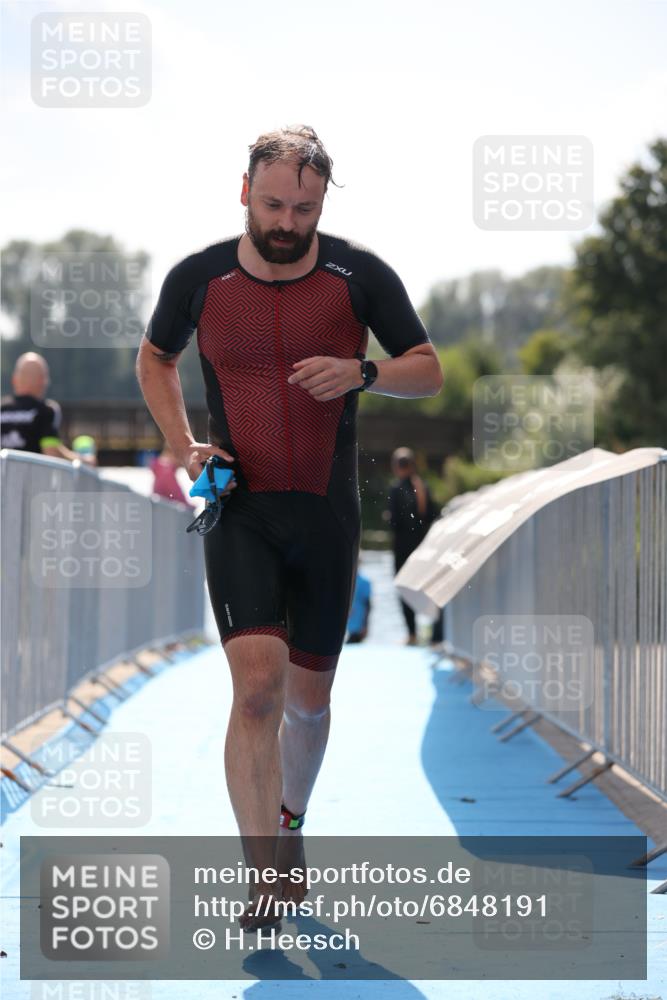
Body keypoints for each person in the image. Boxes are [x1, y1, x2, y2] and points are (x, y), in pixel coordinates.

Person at [136, 124, 443, 930]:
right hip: (239, 507)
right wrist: (181, 446)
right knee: (257, 696)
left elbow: (428, 367)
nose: (286, 221)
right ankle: (262, 875)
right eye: (272, 203)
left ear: (321, 204)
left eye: (303, 208)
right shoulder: (198, 279)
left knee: (309, 702)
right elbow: (154, 359)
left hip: (325, 516)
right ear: (244, 192)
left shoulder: (358, 275)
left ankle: (291, 824)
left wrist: (363, 371)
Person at [387, 447, 443, 646]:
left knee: (404, 587)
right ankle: (437, 634)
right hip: (423, 548)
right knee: (432, 587)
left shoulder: (396, 489)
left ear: (397, 467)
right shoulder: (423, 487)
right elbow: (433, 516)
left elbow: (394, 522)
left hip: (403, 549)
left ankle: (412, 634)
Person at [0, 352, 91, 463]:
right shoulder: (46, 410)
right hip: (33, 479)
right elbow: (52, 453)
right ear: (43, 380)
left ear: (14, 380)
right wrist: (84, 461)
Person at [345, 566, 372, 643]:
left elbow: (368, 605)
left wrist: (365, 625)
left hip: (358, 622)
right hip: (349, 623)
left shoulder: (364, 582)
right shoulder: (345, 581)